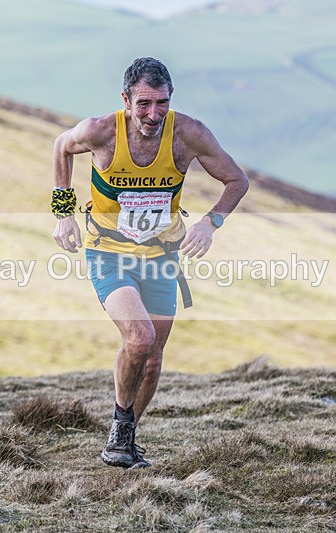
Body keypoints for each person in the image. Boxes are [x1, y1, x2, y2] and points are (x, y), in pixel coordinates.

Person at [51, 57, 249, 468]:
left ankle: (124, 439)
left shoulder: (188, 134)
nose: (153, 114)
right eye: (143, 103)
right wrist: (63, 213)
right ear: (125, 100)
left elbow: (236, 180)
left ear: (171, 98)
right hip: (109, 252)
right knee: (138, 338)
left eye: (161, 103)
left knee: (154, 358)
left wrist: (211, 223)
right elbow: (61, 146)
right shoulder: (101, 131)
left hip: (161, 256)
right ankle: (120, 436)